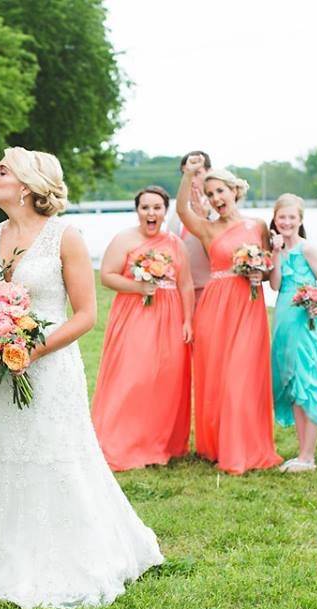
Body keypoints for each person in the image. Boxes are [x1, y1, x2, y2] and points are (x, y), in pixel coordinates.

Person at [0, 147, 163, 609]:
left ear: (25, 185)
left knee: (53, 453)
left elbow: (85, 315)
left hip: (47, 368)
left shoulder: (65, 236)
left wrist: (30, 348)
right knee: (1, 452)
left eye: (1, 171)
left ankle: (71, 553)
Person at [176, 154, 282, 475]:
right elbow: (182, 210)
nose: (216, 199)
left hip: (248, 307)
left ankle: (245, 448)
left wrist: (259, 275)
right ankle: (217, 445)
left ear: (234, 191)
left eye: (220, 191)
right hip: (215, 307)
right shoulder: (207, 229)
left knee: (244, 375)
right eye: (210, 195)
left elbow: (265, 270)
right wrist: (190, 175)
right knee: (219, 376)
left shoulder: (258, 226)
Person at [92, 185, 194, 471]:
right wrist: (139, 286)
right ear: (137, 210)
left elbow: (185, 284)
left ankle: (160, 442)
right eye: (145, 207)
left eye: (157, 207)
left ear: (165, 211)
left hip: (171, 315)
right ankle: (120, 442)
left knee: (165, 378)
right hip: (134, 314)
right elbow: (107, 277)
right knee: (132, 376)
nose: (151, 213)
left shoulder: (175, 243)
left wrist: (187, 320)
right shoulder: (124, 239)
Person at [269, 194, 317, 472]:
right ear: (275, 220)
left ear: (300, 221)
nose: (286, 222)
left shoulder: (308, 250)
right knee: (293, 386)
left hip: (305, 320)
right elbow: (276, 285)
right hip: (284, 322)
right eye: (282, 218)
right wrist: (275, 253)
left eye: (292, 218)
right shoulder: (277, 250)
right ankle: (302, 452)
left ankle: (308, 457)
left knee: (307, 383)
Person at [168, 151, 214, 304]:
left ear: (209, 172)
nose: (192, 180)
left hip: (210, 289)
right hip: (181, 290)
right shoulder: (178, 210)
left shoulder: (218, 208)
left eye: (197, 173)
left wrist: (203, 217)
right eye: (187, 174)